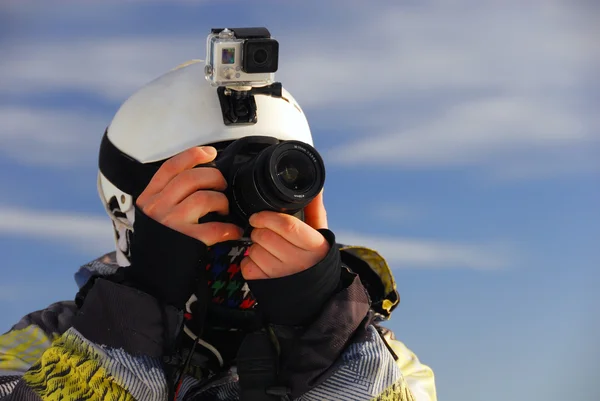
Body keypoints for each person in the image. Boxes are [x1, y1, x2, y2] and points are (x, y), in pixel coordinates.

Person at [0, 59, 436, 401]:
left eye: (275, 183)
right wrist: (128, 319)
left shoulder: (378, 354)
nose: (245, 212)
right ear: (128, 209)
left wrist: (326, 332)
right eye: (207, 185)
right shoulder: (47, 340)